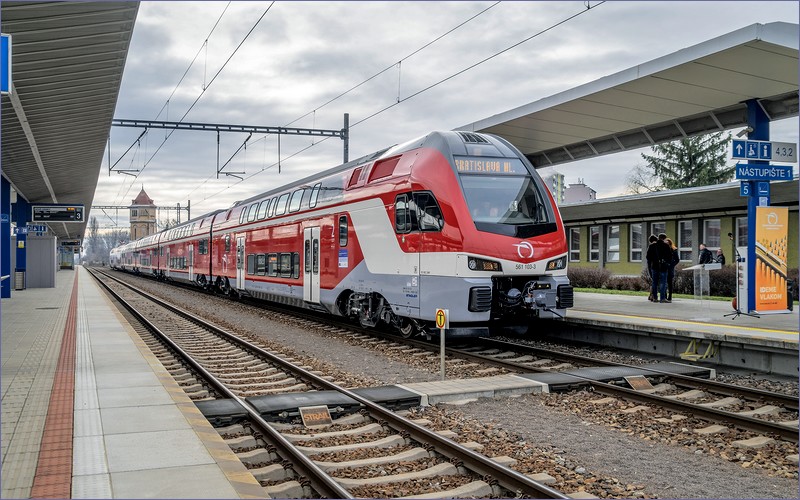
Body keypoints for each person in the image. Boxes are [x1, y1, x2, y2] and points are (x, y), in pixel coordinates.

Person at [664, 237, 680, 302]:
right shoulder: (663, 249)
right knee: (664, 283)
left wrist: (671, 265)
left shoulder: (674, 250)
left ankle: (670, 297)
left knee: (669, 283)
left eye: (668, 243)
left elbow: (677, 260)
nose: (666, 244)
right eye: (665, 243)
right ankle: (664, 296)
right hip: (664, 268)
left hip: (670, 269)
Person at [645, 234, 659, 301]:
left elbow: (648, 257)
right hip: (660, 266)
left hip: (652, 266)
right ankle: (662, 296)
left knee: (654, 282)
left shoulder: (651, 246)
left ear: (650, 241)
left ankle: (653, 296)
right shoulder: (660, 246)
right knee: (661, 282)